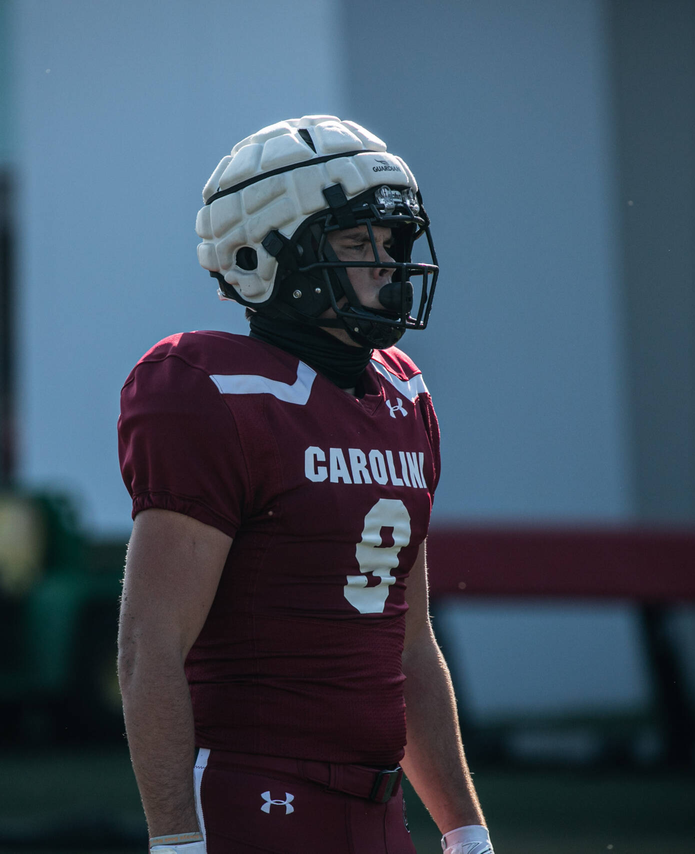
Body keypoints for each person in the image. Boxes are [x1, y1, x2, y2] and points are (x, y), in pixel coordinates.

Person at [118, 116, 494, 854]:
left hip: (378, 811)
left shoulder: (402, 397)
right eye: (357, 243)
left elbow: (408, 644)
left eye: (391, 242)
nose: (387, 263)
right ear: (266, 259)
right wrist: (175, 841)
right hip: (255, 799)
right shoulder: (211, 390)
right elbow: (149, 642)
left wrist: (465, 829)